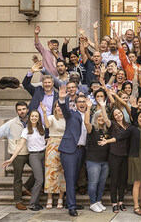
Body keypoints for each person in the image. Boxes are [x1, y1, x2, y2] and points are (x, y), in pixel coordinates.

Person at [0, 110, 47, 211]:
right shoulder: (26, 130)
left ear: (39, 118)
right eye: (32, 116)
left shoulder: (42, 128)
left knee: (41, 177)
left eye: (36, 116)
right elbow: (20, 145)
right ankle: (33, 203)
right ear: (30, 118)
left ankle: (35, 201)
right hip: (34, 156)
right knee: (39, 180)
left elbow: (45, 141)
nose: (34, 118)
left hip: (44, 154)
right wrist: (11, 159)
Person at [58, 85, 88, 216]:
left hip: (82, 151)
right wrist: (62, 99)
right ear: (75, 104)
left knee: (74, 178)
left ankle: (71, 202)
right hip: (69, 150)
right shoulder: (71, 114)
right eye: (79, 102)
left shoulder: (89, 116)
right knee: (70, 179)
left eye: (84, 102)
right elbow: (64, 109)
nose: (82, 104)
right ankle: (71, 206)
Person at [99, 108, 131, 213]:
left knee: (123, 180)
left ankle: (121, 202)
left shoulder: (128, 125)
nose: (118, 115)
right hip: (114, 155)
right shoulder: (112, 124)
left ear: (122, 114)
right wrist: (103, 107)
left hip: (125, 156)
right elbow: (106, 119)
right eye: (116, 114)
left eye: (119, 113)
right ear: (113, 116)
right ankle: (114, 203)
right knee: (114, 180)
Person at [83, 100, 111, 213]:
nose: (101, 118)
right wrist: (88, 107)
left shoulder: (106, 130)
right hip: (93, 161)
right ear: (95, 118)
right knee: (93, 182)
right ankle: (93, 203)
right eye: (98, 116)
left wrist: (104, 108)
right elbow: (86, 123)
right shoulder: (92, 129)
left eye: (102, 116)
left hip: (105, 161)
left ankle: (98, 201)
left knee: (102, 182)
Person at [41, 101, 66, 210]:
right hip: (52, 145)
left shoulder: (67, 117)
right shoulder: (51, 117)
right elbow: (47, 125)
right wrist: (44, 113)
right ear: (55, 108)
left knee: (63, 171)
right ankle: (49, 198)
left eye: (61, 106)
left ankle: (61, 198)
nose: (59, 108)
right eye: (57, 106)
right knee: (50, 171)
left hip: (65, 144)